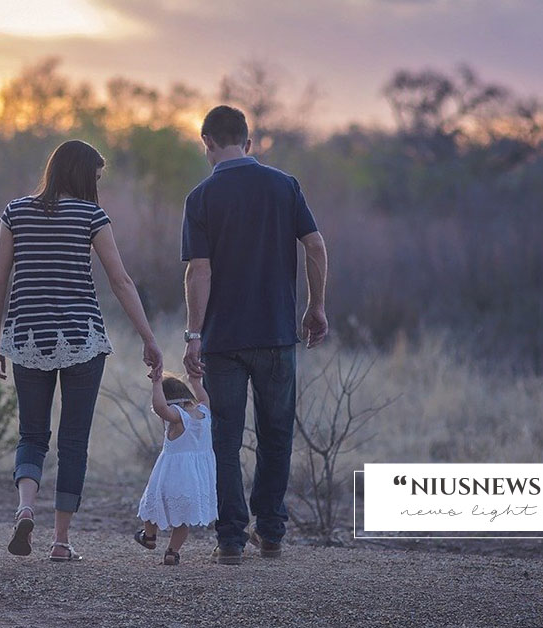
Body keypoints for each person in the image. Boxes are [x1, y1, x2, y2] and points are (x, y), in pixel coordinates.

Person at [0, 139, 163, 562]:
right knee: (74, 441)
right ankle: (61, 542)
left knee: (32, 434)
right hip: (82, 339)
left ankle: (26, 507)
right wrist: (148, 337)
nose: (98, 186)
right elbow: (120, 281)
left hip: (27, 338)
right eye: (96, 177)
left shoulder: (15, 212)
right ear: (83, 175)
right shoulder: (91, 216)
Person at [179, 105, 329, 565]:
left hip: (223, 340)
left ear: (206, 142)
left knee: (224, 438)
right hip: (277, 334)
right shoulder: (284, 186)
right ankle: (272, 531)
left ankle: (230, 539)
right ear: (248, 141)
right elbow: (316, 245)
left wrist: (193, 334)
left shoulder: (200, 197)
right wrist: (315, 306)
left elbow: (197, 272)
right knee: (276, 433)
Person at [133, 372, 217, 565]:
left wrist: (156, 384)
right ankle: (172, 552)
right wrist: (195, 381)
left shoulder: (178, 417)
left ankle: (150, 536)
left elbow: (160, 407)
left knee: (152, 505)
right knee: (183, 519)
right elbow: (204, 397)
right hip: (195, 479)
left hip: (171, 475)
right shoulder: (204, 412)